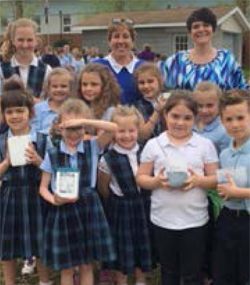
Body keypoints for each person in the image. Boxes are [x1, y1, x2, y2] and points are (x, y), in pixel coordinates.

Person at [136, 90, 219, 285]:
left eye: (187, 118)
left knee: (192, 272)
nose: (180, 123)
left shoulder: (204, 145)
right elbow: (140, 177)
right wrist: (156, 182)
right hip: (162, 219)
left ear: (195, 118)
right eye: (175, 116)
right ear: (165, 115)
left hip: (195, 220)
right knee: (169, 270)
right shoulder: (154, 145)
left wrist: (198, 181)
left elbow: (215, 179)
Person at [39, 98, 117, 285]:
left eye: (78, 128)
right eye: (69, 128)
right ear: (59, 128)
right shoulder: (52, 153)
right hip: (63, 210)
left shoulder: (93, 146)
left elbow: (113, 127)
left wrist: (84, 121)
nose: (74, 133)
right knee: (67, 267)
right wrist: (53, 199)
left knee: (86, 264)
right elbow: (42, 187)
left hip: (88, 208)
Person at [0, 76, 51, 285]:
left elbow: (51, 171)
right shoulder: (1, 141)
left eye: (19, 111)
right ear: (3, 115)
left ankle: (45, 280)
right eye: (9, 112)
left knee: (39, 242)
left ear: (30, 113)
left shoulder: (42, 138)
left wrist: (38, 160)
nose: (15, 116)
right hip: (10, 196)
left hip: (35, 194)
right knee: (7, 244)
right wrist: (6, 162)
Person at [98, 105, 152, 285]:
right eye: (121, 131)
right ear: (113, 132)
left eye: (131, 130)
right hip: (121, 207)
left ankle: (140, 279)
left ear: (138, 130)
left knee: (141, 243)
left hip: (143, 205)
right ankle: (121, 279)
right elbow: (103, 187)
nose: (127, 135)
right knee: (123, 247)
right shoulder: (108, 158)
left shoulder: (146, 151)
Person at [162, 7, 249, 91]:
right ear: (190, 32)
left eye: (206, 25)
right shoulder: (175, 61)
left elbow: (242, 91)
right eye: (196, 26)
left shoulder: (227, 60)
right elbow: (162, 91)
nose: (201, 29)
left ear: (213, 29)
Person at [213, 89, 250, 285]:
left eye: (240, 117)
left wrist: (238, 192)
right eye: (229, 119)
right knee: (225, 271)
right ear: (221, 120)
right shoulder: (225, 154)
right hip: (228, 217)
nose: (234, 124)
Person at [95, 18, 144, 104]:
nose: (121, 41)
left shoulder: (144, 68)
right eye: (116, 36)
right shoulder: (97, 67)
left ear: (132, 41)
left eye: (125, 36)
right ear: (109, 41)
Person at [0, 18, 52, 99]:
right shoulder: (2, 70)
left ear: (36, 41)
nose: (25, 45)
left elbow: (50, 103)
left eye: (29, 40)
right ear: (13, 41)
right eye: (20, 40)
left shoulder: (46, 70)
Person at [32, 67, 74, 135]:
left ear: (70, 88)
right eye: (54, 86)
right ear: (48, 88)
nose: (59, 90)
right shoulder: (38, 109)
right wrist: (50, 132)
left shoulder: (75, 109)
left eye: (63, 86)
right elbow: (33, 132)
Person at [133, 62, 167, 141]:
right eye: (141, 83)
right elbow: (142, 136)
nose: (146, 86)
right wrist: (157, 111)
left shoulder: (169, 98)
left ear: (159, 81)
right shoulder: (136, 107)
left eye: (150, 81)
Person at [193, 81, 230, 154]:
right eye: (200, 106)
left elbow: (225, 160)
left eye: (209, 105)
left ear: (220, 104)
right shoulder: (189, 122)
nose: (204, 111)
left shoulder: (224, 131)